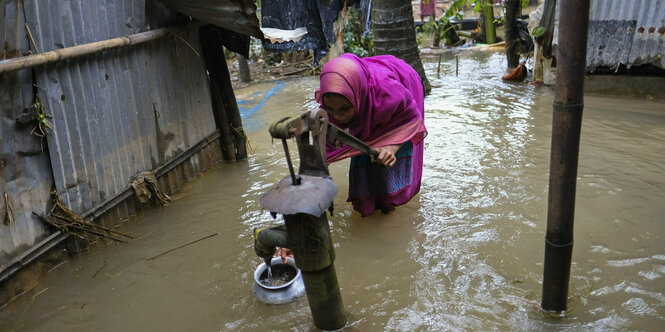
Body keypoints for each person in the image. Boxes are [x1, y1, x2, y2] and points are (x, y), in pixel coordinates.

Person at [277, 53, 427, 262]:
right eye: (331, 110)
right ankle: (372, 205)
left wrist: (392, 147)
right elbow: (314, 170)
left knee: (389, 168)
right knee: (365, 158)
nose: (337, 117)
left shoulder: (389, 92)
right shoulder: (332, 105)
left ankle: (390, 208)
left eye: (344, 110)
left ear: (357, 97)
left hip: (398, 96)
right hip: (362, 99)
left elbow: (412, 120)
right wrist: (293, 230)